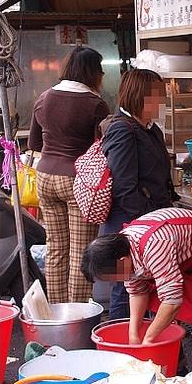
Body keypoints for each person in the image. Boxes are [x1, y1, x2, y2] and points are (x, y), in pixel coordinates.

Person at [81, 208, 192, 380]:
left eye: (110, 276)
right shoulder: (122, 251)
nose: (113, 281)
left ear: (122, 261)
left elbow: (172, 301)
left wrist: (148, 339)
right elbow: (137, 292)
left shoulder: (154, 246)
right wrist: (133, 335)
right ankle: (176, 368)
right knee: (155, 307)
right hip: (181, 253)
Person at [28, 46, 110, 304]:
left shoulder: (44, 98)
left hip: (45, 177)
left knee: (56, 249)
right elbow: (102, 149)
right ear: (92, 72)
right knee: (80, 251)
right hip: (78, 181)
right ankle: (76, 314)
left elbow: (35, 143)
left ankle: (55, 312)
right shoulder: (95, 104)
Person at [100, 69, 177, 320]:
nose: (163, 102)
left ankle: (144, 347)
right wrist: (146, 223)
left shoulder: (150, 129)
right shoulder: (122, 129)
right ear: (141, 96)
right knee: (126, 289)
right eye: (159, 96)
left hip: (150, 223)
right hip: (128, 226)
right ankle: (119, 349)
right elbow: (124, 187)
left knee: (144, 288)